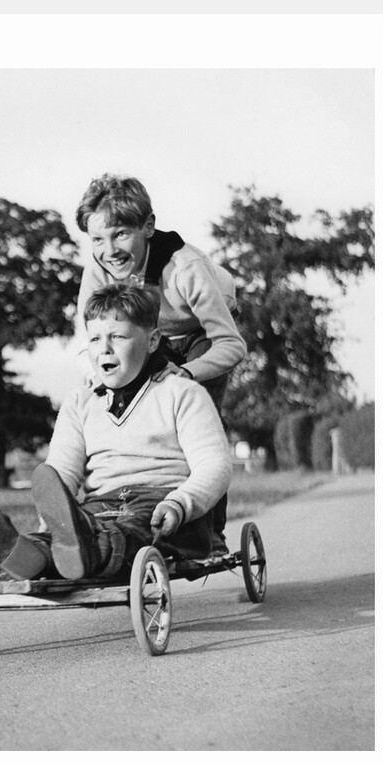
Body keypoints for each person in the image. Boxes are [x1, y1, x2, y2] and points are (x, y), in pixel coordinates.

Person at [0, 285, 232, 582]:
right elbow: (60, 476)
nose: (104, 348)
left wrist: (181, 503)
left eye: (117, 336)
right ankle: (28, 552)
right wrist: (51, 521)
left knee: (127, 533)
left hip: (166, 506)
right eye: (95, 338)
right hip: (101, 506)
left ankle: (79, 551)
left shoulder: (182, 393)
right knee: (82, 530)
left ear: (152, 340)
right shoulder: (81, 402)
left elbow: (215, 466)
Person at [72, 173, 246, 553]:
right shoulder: (98, 269)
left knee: (199, 416)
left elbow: (232, 345)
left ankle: (208, 533)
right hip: (156, 334)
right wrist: (96, 378)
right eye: (97, 239)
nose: (109, 249)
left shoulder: (185, 267)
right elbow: (84, 337)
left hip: (203, 328)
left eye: (120, 234)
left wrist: (186, 372)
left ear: (148, 227)